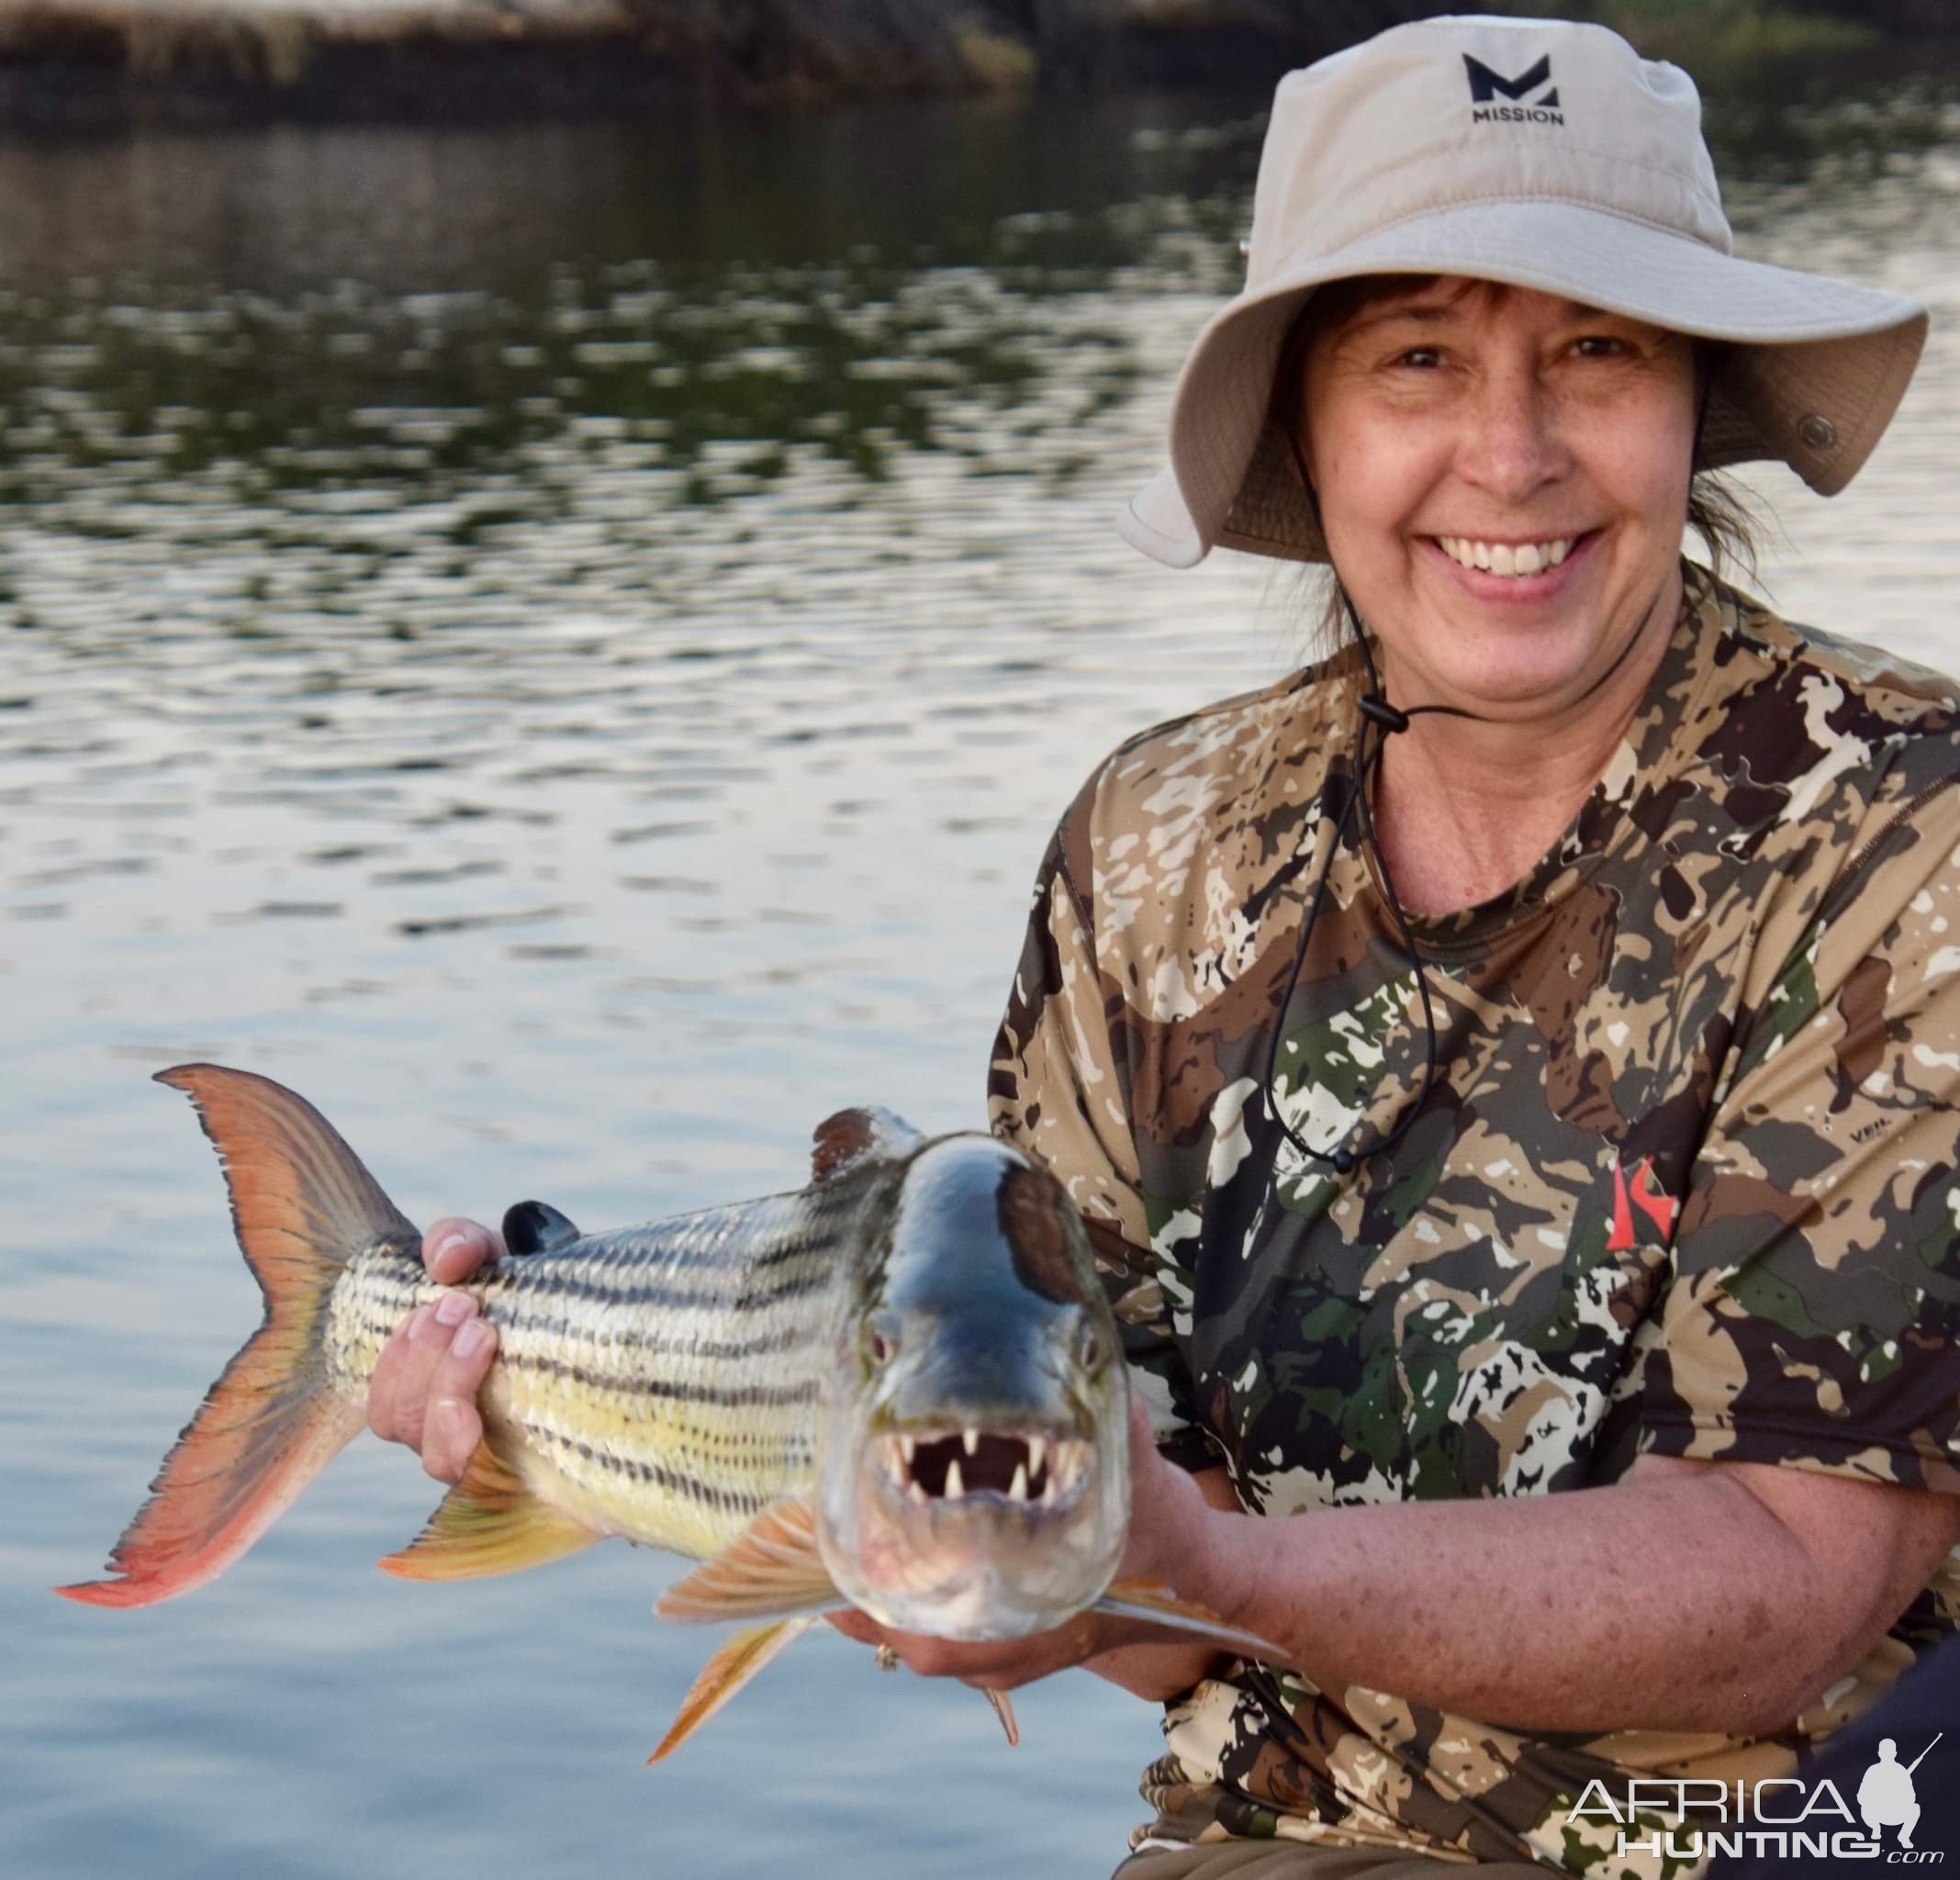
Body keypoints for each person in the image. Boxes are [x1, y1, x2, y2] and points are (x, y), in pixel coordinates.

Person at [364, 15, 1960, 1877]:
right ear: (1304, 417)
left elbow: (1786, 1574)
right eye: (1417, 357)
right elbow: (1111, 1575)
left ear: (1698, 396)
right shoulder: (1155, 852)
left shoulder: (1902, 833)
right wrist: (581, 1417)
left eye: (1596, 351)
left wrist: (1205, 1564)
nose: (1509, 456)